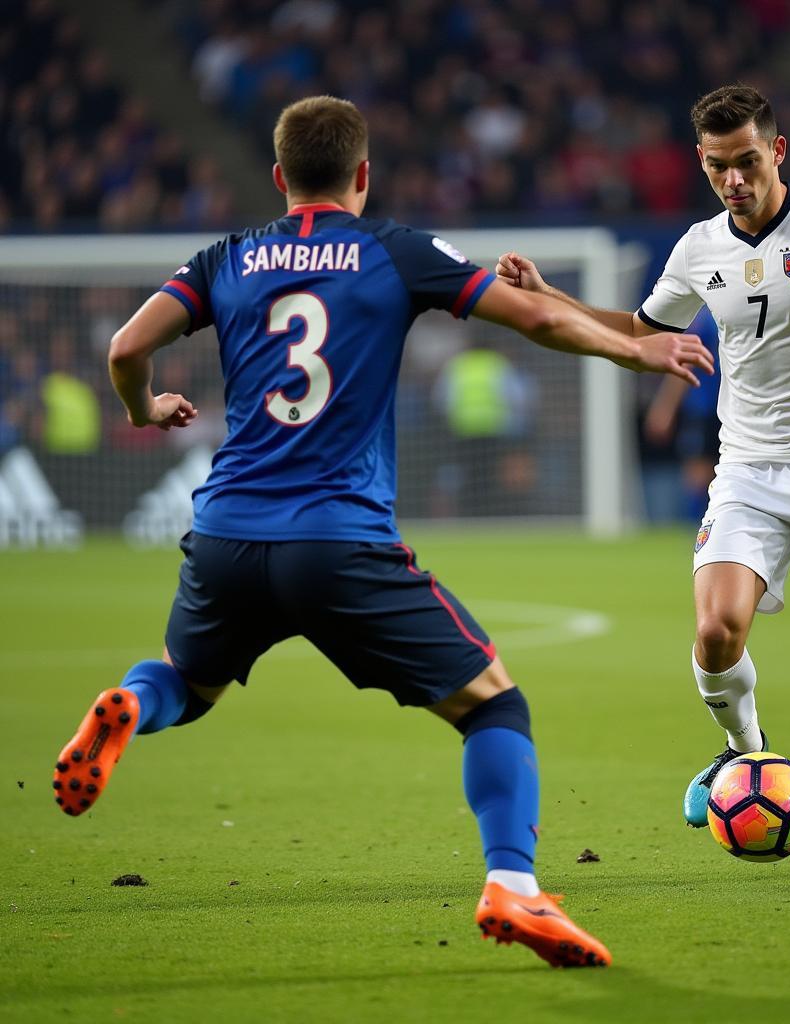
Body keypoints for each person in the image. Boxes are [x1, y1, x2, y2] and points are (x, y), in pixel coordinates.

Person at [51, 95, 716, 968]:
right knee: (495, 705)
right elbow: (539, 318)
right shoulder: (394, 250)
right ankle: (514, 887)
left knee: (188, 679)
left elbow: (126, 349)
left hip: (225, 533)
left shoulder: (227, 256)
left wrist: (147, 408)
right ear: (363, 174)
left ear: (281, 177)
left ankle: (129, 707)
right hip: (337, 540)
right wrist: (637, 351)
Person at [495, 84, 790, 876]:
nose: (733, 180)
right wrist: (548, 297)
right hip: (748, 470)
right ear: (701, 163)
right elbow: (641, 331)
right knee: (714, 633)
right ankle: (746, 754)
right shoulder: (699, 247)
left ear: (776, 151)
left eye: (746, 162)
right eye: (717, 167)